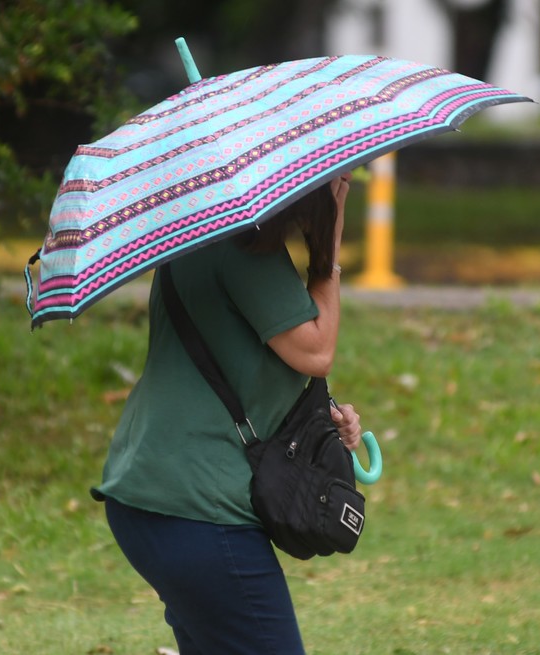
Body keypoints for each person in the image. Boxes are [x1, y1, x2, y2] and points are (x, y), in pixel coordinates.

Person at [92, 173, 363, 654]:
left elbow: (239, 362)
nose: (341, 183)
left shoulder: (199, 237)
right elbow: (316, 351)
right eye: (334, 178)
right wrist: (331, 249)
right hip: (198, 510)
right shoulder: (245, 250)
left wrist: (324, 421)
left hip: (149, 493)